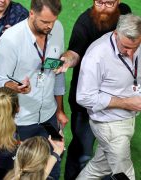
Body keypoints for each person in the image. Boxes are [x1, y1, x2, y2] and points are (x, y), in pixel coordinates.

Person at [56, 0, 131, 178]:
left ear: (118, 2)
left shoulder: (125, 13)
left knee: (111, 153)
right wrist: (67, 59)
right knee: (83, 152)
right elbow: (74, 53)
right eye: (99, 2)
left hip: (115, 100)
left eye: (109, 3)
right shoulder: (85, 23)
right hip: (86, 102)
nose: (104, 7)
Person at [0, 0, 66, 179]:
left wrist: (60, 110)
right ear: (32, 13)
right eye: (45, 22)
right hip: (22, 121)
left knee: (53, 166)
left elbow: (58, 71)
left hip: (48, 116)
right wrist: (16, 87)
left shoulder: (58, 28)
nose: (50, 26)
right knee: (21, 171)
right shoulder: (11, 39)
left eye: (53, 21)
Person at [76, 14, 141, 180]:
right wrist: (126, 103)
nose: (130, 52)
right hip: (108, 124)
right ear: (116, 33)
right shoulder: (96, 55)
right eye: (125, 47)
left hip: (127, 119)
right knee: (125, 174)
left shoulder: (134, 42)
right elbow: (84, 97)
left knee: (98, 168)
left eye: (135, 46)